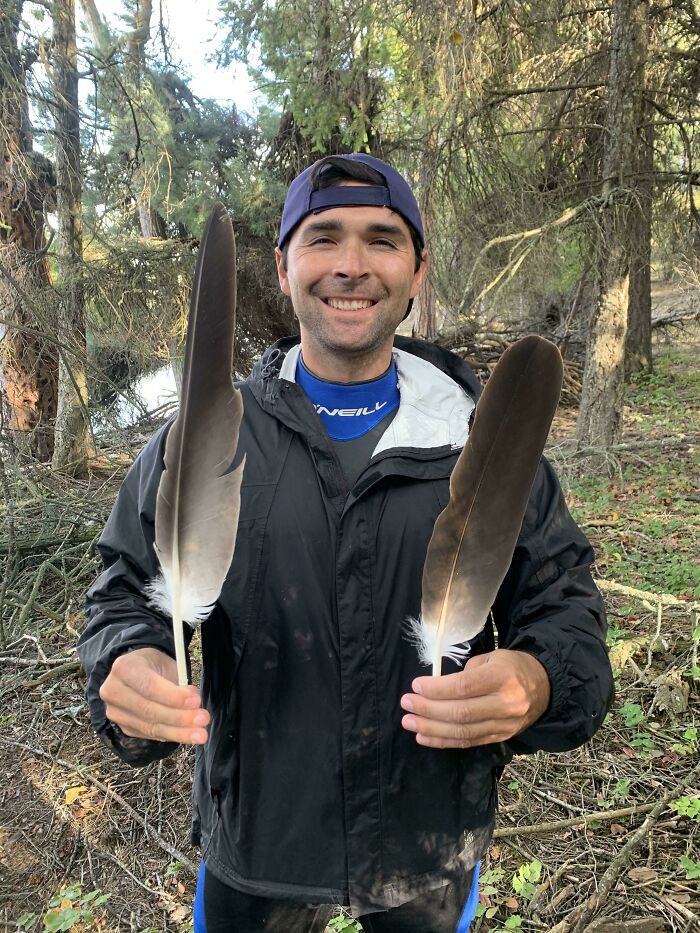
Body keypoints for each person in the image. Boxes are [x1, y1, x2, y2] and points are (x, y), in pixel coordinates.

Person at [78, 154, 614, 933]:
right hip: (256, 839)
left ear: (418, 268)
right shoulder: (201, 439)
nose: (352, 265)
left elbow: (570, 615)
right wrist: (126, 663)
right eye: (323, 237)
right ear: (285, 264)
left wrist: (538, 680)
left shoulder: (483, 445)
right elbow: (121, 593)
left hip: (424, 848)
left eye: (382, 240)